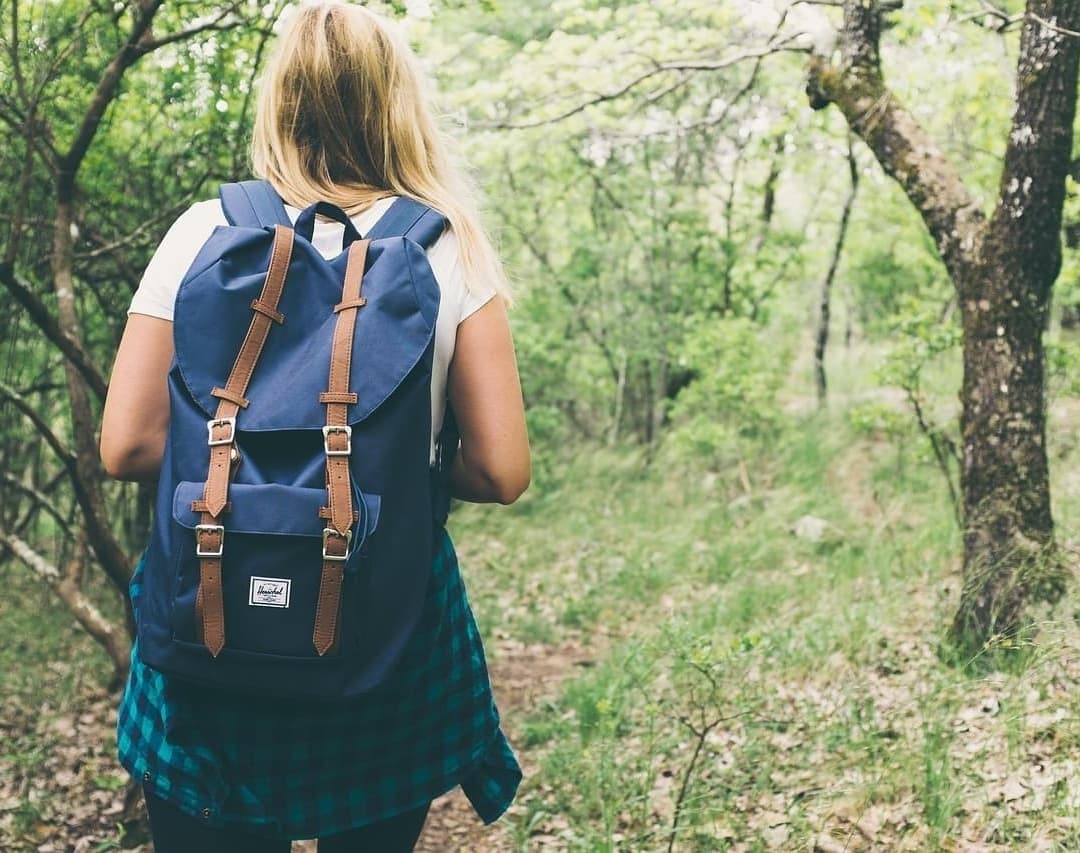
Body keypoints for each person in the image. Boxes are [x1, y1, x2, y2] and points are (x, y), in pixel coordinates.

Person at [99, 3, 530, 850]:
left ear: (280, 102)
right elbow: (502, 472)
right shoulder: (450, 249)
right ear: (396, 103)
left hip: (209, 626)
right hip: (383, 630)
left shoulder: (204, 232)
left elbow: (128, 445)